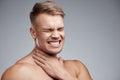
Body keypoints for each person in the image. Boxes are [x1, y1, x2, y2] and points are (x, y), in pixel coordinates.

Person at [1, 1, 92, 80]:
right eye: (48, 30)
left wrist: (64, 75)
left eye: (60, 29)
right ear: (33, 33)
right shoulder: (18, 73)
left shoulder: (77, 68)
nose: (56, 35)